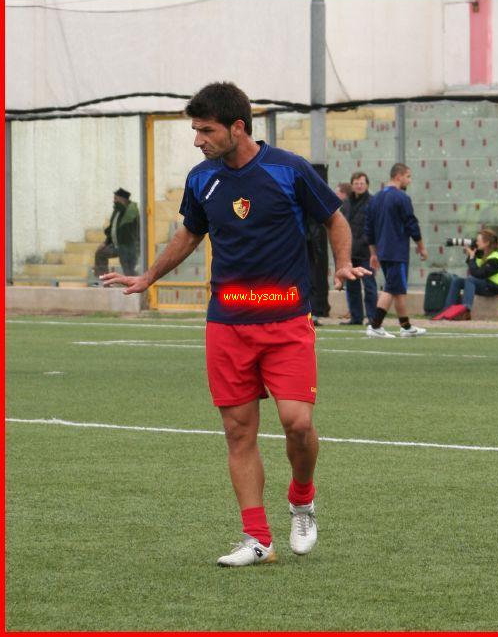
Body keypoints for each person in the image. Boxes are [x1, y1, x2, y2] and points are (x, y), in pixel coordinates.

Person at [100, 82, 369, 567]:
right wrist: (148, 276)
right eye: (196, 130)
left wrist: (343, 263)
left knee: (298, 424)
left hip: (286, 319)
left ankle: (302, 499)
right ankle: (257, 539)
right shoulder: (202, 179)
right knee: (238, 432)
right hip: (227, 324)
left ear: (237, 127)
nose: (197, 140)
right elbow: (189, 233)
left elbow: (335, 218)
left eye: (206, 130)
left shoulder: (288, 169)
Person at [364, 163, 428, 338]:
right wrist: (421, 246)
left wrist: (373, 253)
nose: (409, 180)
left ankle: (405, 327)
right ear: (398, 176)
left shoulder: (375, 199)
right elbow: (411, 224)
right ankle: (375, 325)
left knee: (398, 288)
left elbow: (369, 229)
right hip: (397, 252)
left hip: (383, 252)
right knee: (392, 288)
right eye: (408, 176)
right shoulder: (401, 197)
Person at [443, 228, 498, 319]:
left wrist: (472, 257)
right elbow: (473, 268)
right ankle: (447, 311)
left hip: (496, 287)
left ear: (487, 243)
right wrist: (472, 254)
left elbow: (478, 274)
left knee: (470, 279)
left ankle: (465, 310)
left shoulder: (495, 258)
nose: (476, 242)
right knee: (457, 281)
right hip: (486, 284)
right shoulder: (484, 254)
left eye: (478, 241)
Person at [339, 172, 378, 326]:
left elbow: (374, 226)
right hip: (350, 252)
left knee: (369, 286)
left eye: (362, 183)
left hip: (366, 252)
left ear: (367, 185)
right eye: (356, 183)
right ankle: (356, 317)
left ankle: (372, 317)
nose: (359, 186)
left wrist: (368, 244)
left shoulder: (372, 202)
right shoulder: (346, 203)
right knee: (352, 287)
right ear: (352, 185)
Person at [94, 188, 140, 277]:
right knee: (100, 253)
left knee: (129, 271)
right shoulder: (117, 210)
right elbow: (112, 229)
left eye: (116, 198)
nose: (114, 201)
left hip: (128, 248)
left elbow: (129, 233)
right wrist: (105, 243)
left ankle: (134, 282)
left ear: (123, 199)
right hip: (117, 246)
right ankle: (103, 279)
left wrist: (126, 249)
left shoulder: (131, 213)